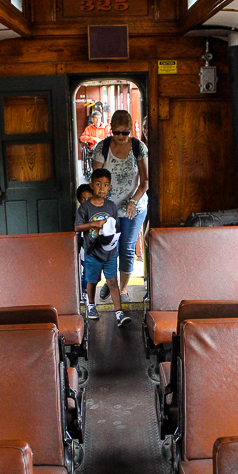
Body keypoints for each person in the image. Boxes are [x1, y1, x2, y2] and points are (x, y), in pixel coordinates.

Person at [93, 109, 149, 302]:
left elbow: (145, 181)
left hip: (134, 206)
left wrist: (134, 201)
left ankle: (123, 289)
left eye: (125, 133)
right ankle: (111, 284)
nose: (121, 137)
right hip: (110, 207)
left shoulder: (138, 147)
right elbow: (96, 181)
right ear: (111, 130)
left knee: (127, 247)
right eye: (116, 132)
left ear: (130, 130)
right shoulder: (102, 148)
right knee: (109, 248)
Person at [74, 168, 131, 328]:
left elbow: (115, 226)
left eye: (105, 185)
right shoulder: (85, 208)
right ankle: (91, 305)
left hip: (109, 251)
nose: (102, 188)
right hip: (92, 252)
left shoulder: (111, 206)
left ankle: (119, 312)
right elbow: (77, 228)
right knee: (92, 280)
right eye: (98, 184)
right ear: (91, 185)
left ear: (110, 187)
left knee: (112, 281)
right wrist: (94, 225)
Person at [76, 183, 93, 303]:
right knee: (86, 270)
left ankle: (86, 292)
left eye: (89, 198)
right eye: (83, 199)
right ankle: (84, 292)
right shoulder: (80, 213)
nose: (86, 201)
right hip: (83, 247)